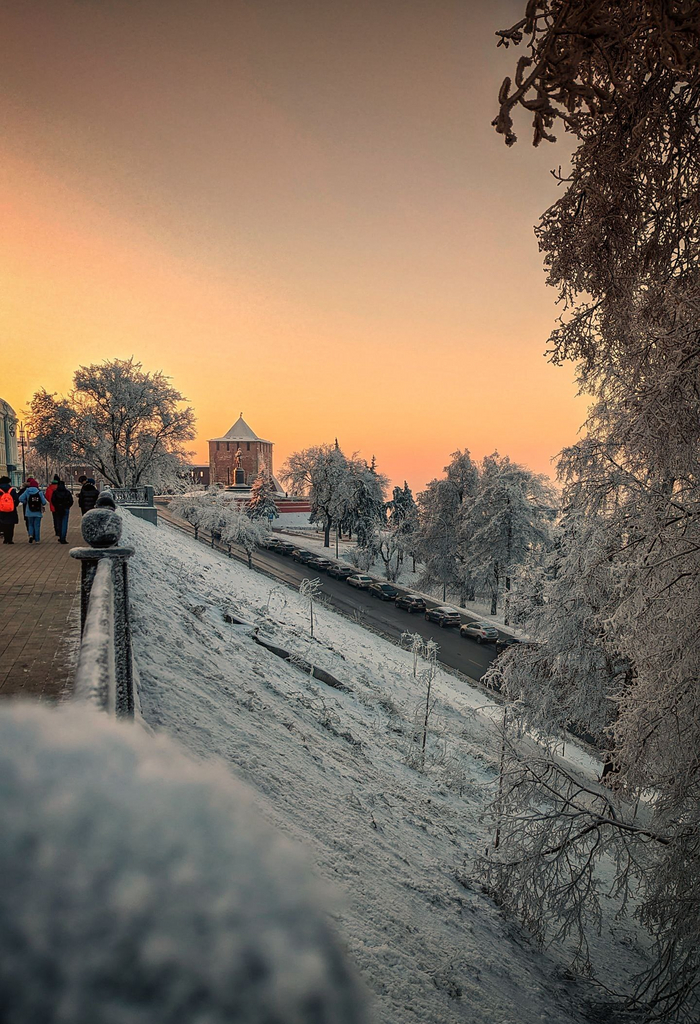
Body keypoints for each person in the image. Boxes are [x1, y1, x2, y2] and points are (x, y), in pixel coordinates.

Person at [19, 478, 47, 543]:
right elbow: (44, 502)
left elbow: (20, 498)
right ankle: (37, 539)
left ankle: (31, 535)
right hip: (37, 512)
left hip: (29, 511)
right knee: (37, 525)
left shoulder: (27, 491)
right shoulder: (39, 492)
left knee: (30, 524)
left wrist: (26, 502)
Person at [0, 476, 19, 544]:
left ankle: (5, 539)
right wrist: (14, 505)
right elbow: (17, 499)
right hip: (11, 510)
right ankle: (10, 539)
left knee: (3, 523)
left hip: (1, 510)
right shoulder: (12, 490)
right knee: (11, 525)